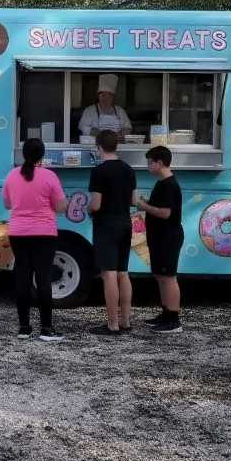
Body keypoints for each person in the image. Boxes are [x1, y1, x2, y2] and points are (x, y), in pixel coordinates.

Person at [2, 138, 69, 342]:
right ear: (43, 155)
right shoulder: (49, 176)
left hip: (18, 232)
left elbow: (7, 204)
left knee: (22, 276)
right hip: (44, 233)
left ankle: (24, 327)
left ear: (24, 154)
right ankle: (46, 329)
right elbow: (60, 206)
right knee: (43, 278)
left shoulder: (12, 175)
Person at [87, 130, 136, 335]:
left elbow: (96, 204)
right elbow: (134, 200)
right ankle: (125, 320)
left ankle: (112, 323)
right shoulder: (128, 169)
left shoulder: (99, 172)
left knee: (109, 274)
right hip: (125, 223)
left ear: (99, 147)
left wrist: (88, 210)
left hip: (106, 226)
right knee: (123, 273)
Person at [135, 146, 184, 333]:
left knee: (169, 277)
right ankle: (165, 313)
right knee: (161, 276)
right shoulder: (162, 183)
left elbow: (165, 213)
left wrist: (142, 206)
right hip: (159, 236)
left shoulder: (169, 185)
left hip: (168, 236)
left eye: (150, 162)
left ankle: (173, 319)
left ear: (160, 163)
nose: (148, 166)